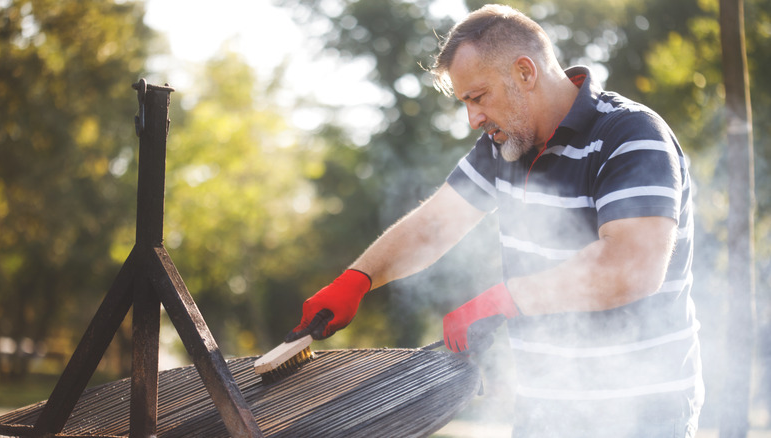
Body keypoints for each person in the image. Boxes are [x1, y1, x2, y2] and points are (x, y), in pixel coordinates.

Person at [284, 4, 702, 437]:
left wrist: (503, 300)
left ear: (525, 72)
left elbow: (631, 265)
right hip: (545, 411)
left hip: (641, 415)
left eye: (478, 97)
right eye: (466, 102)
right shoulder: (505, 146)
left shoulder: (631, 136)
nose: (473, 119)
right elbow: (433, 226)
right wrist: (357, 279)